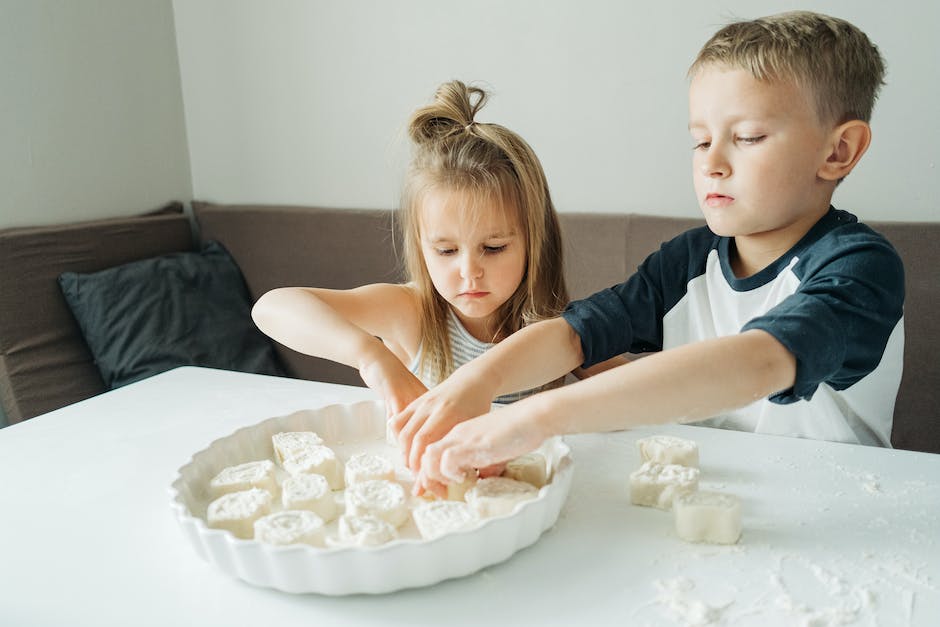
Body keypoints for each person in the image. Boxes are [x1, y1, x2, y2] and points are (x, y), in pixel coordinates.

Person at [394, 11, 905, 496]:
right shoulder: (686, 261)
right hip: (710, 502)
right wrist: (477, 382)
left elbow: (757, 363)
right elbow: (575, 334)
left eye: (747, 137)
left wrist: (536, 416)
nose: (714, 163)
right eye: (701, 142)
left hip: (839, 513)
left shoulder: (861, 269)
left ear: (838, 151)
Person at [253, 80, 615, 436]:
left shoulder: (557, 329)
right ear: (421, 245)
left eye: (493, 248)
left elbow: (644, 395)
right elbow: (271, 308)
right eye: (446, 251)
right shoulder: (412, 312)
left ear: (535, 242)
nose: (469, 272)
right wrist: (370, 356)